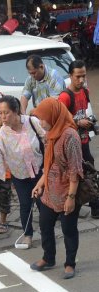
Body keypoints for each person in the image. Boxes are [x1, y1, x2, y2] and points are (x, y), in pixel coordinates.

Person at [0, 95, 45, 249]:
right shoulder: (2, 133)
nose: (3, 117)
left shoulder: (32, 122)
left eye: (6, 113)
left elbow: (47, 139)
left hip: (40, 172)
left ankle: (47, 234)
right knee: (25, 205)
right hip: (20, 175)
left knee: (44, 205)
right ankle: (27, 235)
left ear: (16, 111)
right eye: (0, 113)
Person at [29, 98, 83, 279]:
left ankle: (70, 264)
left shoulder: (70, 136)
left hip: (67, 191)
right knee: (45, 225)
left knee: (69, 230)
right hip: (50, 192)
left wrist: (71, 198)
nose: (41, 122)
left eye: (43, 118)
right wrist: (40, 183)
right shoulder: (50, 133)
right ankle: (48, 258)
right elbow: (49, 164)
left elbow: (75, 170)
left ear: (53, 116)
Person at [58, 59, 99, 218]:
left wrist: (88, 123)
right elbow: (59, 121)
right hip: (71, 145)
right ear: (70, 76)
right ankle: (69, 207)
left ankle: (94, 207)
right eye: (78, 77)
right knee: (75, 175)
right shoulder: (65, 97)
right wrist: (77, 122)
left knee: (90, 173)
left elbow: (84, 113)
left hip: (84, 140)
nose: (81, 80)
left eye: (84, 76)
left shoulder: (85, 91)